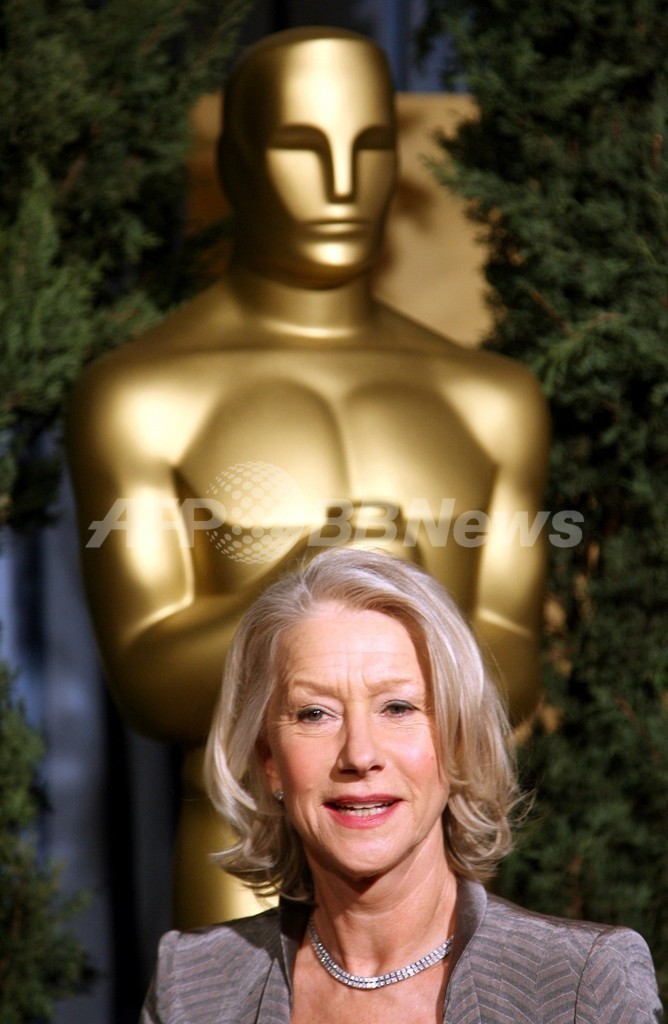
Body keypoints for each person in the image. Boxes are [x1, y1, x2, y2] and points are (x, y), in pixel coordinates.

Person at [66, 27, 550, 927]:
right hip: (243, 857)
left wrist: (403, 597)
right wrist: (309, 584)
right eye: (302, 146)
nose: (340, 184)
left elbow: (516, 664)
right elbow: (148, 680)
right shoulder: (143, 397)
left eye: (369, 148)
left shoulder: (493, 400)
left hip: (441, 862)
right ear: (237, 164)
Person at [140, 548, 662, 1023]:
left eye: (397, 707)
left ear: (457, 742)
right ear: (269, 760)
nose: (360, 755)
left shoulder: (580, 983)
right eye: (315, 713)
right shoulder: (191, 984)